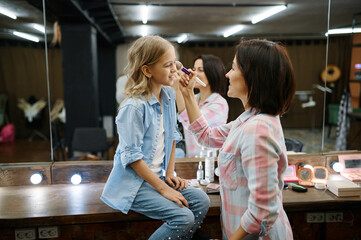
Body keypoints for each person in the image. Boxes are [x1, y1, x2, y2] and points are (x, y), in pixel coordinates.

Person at [178, 39, 295, 239]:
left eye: (233, 68)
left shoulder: (257, 129)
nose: (227, 75)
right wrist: (188, 95)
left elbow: (263, 211)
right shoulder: (248, 120)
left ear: (252, 76)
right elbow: (207, 136)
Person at [101, 35, 210, 240]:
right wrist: (163, 189)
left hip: (157, 178)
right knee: (183, 218)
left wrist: (169, 174)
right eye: (168, 65)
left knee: (202, 200)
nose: (175, 71)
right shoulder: (132, 108)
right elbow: (132, 158)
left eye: (174, 64)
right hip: (134, 185)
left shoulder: (168, 96)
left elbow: (172, 135)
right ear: (147, 70)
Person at [173, 54, 229, 157]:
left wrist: (178, 90)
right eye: (194, 69)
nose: (195, 73)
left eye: (200, 70)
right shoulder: (194, 98)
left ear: (212, 73)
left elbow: (192, 123)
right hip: (192, 160)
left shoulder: (219, 103)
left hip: (209, 161)